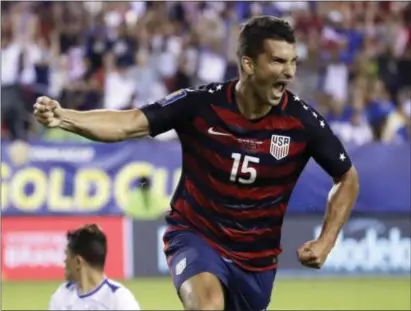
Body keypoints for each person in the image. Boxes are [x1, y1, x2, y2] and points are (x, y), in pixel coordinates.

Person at [35, 16, 359, 311]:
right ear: (248, 64)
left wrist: (326, 240)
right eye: (277, 61)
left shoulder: (302, 122)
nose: (289, 72)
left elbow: (347, 178)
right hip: (195, 234)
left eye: (292, 62)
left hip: (257, 261)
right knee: (207, 306)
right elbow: (128, 122)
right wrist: (65, 118)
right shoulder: (201, 104)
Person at [48, 224, 140, 310]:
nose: (64, 261)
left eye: (67, 255)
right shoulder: (62, 295)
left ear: (78, 261)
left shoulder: (119, 299)